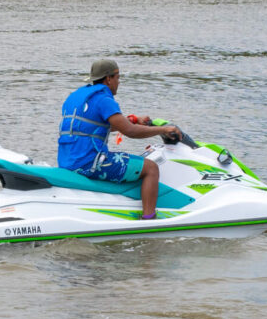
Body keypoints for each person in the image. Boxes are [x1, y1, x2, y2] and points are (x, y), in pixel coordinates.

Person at [57, 58, 180, 219]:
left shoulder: (78, 97)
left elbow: (102, 125)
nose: (119, 82)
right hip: (89, 163)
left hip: (67, 161)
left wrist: (134, 119)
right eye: (118, 77)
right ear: (109, 79)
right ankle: (149, 218)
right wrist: (164, 130)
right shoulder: (103, 99)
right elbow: (130, 132)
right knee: (151, 168)